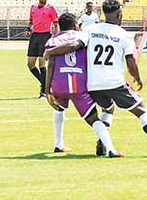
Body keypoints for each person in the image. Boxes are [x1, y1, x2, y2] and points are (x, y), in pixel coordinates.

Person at [45, 0, 147, 157]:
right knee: (142, 111)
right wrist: (138, 79)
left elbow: (74, 46)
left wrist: (51, 51)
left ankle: (102, 142)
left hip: (93, 85)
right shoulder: (124, 35)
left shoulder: (90, 29)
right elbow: (131, 64)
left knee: (108, 107)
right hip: (115, 83)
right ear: (120, 15)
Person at [42, 13, 120, 158]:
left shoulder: (54, 39)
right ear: (75, 25)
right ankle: (110, 148)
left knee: (59, 109)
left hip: (59, 82)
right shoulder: (83, 36)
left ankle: (58, 144)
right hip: (79, 84)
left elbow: (51, 63)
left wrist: (47, 90)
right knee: (94, 119)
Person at [24, 0, 58, 98]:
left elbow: (55, 24)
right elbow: (31, 21)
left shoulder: (51, 9)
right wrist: (28, 29)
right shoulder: (33, 7)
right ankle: (45, 84)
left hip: (45, 36)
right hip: (34, 36)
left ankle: (44, 91)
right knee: (30, 64)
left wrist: (55, 38)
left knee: (42, 64)